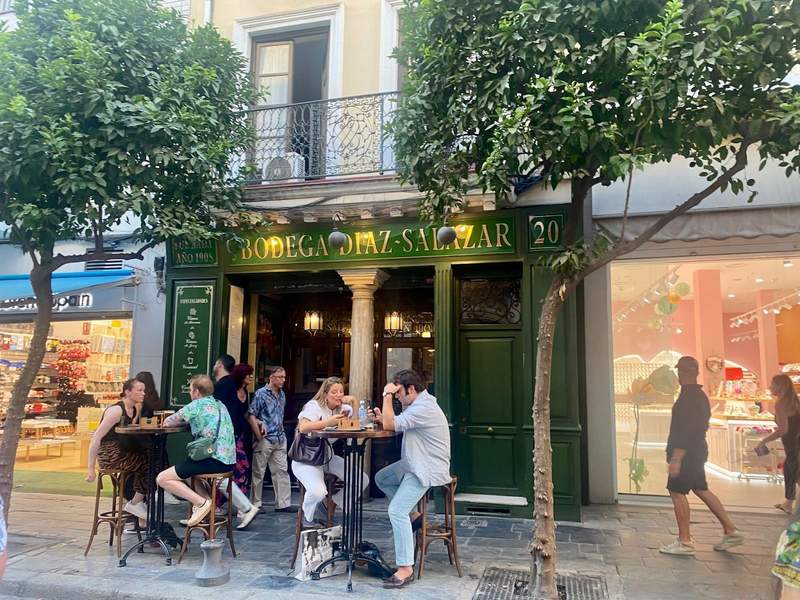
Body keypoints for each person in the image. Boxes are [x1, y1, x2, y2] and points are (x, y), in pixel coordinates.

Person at [371, 369, 450, 589]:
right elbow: (394, 423)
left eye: (398, 392)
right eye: (394, 393)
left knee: (396, 511)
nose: (397, 396)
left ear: (411, 389)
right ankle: (414, 514)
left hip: (424, 468)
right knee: (382, 477)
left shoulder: (423, 408)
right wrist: (381, 416)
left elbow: (391, 425)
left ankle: (405, 568)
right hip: (413, 463)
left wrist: (386, 395)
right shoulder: (418, 405)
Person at [659, 356, 744, 556]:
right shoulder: (698, 396)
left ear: (682, 373)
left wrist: (677, 457)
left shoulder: (689, 398)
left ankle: (685, 541)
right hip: (696, 450)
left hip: (687, 453)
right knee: (701, 488)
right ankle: (730, 530)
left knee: (677, 492)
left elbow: (688, 430)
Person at [157, 375, 237, 527]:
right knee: (187, 473)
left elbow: (168, 422)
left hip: (210, 459)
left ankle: (201, 503)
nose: (190, 393)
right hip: (227, 461)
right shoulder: (220, 405)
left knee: (162, 478)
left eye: (190, 390)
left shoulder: (196, 405)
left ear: (196, 391)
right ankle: (209, 508)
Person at [291, 376, 367, 528]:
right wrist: (329, 423)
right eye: (334, 392)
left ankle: (329, 504)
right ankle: (307, 518)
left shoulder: (345, 410)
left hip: (328, 456)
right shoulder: (314, 406)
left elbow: (356, 425)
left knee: (361, 480)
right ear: (325, 394)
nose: (339, 394)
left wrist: (354, 401)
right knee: (318, 491)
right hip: (307, 458)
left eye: (341, 391)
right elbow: (303, 427)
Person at [85, 378, 149, 521]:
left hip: (124, 451)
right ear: (127, 392)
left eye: (144, 390)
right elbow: (96, 438)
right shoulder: (115, 411)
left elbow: (126, 428)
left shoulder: (136, 408)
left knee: (153, 456)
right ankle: (136, 503)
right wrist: (90, 468)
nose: (143, 393)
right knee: (150, 462)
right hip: (110, 454)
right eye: (139, 390)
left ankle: (139, 502)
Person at [248, 366, 296, 512]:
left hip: (280, 438)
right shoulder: (261, 394)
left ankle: (283, 503)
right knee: (258, 472)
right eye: (280, 377)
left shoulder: (282, 395)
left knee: (281, 470)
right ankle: (256, 504)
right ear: (271, 377)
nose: (283, 380)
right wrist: (258, 434)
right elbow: (251, 415)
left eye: (284, 377)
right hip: (265, 438)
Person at [757, 374, 800, 514]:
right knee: (791, 471)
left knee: (792, 471)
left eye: (772, 384)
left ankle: (789, 503)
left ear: (779, 386)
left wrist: (764, 440)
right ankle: (788, 502)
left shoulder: (781, 403)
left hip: (792, 442)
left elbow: (783, 429)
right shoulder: (795, 400)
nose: (769, 387)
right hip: (796, 441)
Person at [230, 363, 255, 496]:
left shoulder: (246, 392)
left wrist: (258, 423)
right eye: (248, 374)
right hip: (230, 435)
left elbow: (246, 413)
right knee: (240, 467)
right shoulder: (231, 390)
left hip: (242, 434)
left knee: (243, 468)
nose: (251, 376)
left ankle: (241, 503)